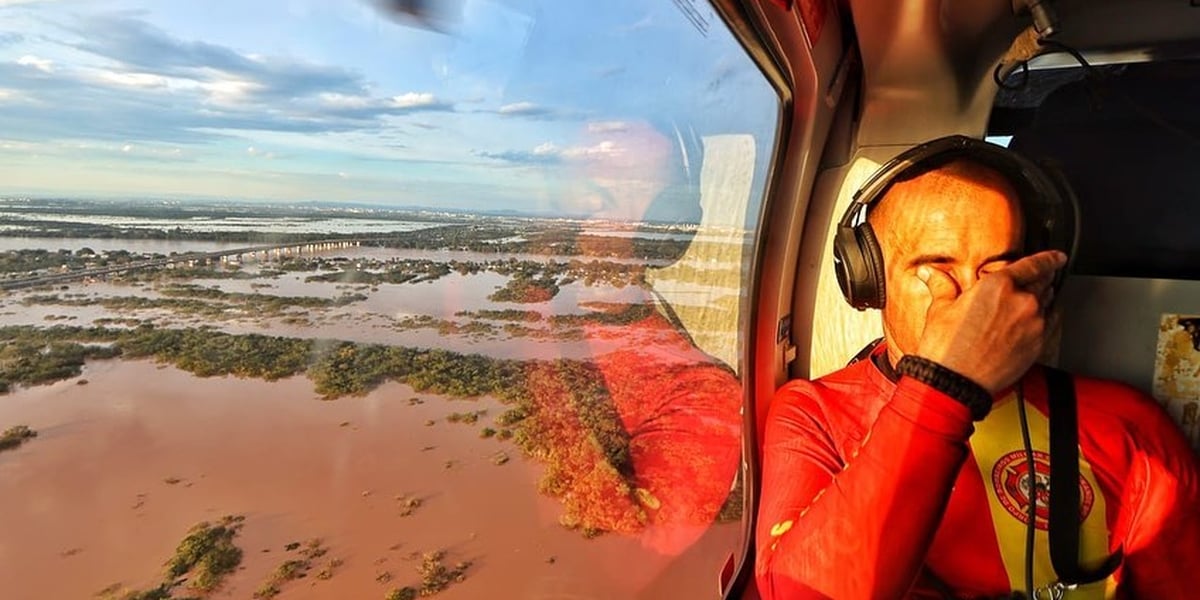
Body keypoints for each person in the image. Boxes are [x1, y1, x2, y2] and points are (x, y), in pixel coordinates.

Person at [755, 136, 1200, 599]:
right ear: (869, 279)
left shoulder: (1128, 427)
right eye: (937, 268)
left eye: (998, 271)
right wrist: (945, 385)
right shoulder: (814, 414)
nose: (976, 303)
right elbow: (801, 593)